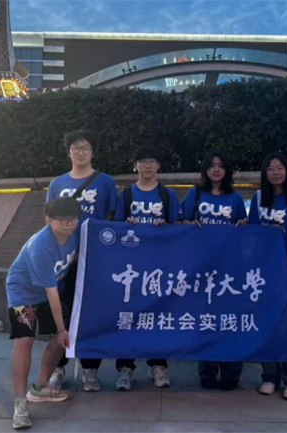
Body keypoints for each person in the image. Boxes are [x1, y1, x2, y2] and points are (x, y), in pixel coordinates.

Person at [46, 129, 117, 393]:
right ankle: (58, 367)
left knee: (91, 313)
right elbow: (49, 219)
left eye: (86, 147)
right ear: (69, 152)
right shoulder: (57, 184)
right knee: (61, 313)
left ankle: (90, 369)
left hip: (93, 259)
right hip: (63, 259)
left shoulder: (105, 182)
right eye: (76, 147)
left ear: (93, 152)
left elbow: (111, 218)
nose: (81, 152)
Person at [6, 197, 82, 429]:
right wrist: (60, 328)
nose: (69, 224)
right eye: (63, 219)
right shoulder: (41, 247)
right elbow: (51, 293)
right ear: (49, 219)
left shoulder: (75, 234)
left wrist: (61, 331)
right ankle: (20, 402)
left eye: (73, 219)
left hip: (50, 291)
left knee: (61, 339)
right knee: (25, 340)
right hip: (23, 292)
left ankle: (40, 386)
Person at [113, 145, 182, 390]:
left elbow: (178, 229)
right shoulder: (126, 195)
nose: (148, 165)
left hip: (159, 267)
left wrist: (166, 225)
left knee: (158, 316)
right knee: (127, 316)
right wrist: (127, 224)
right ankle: (125, 368)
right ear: (135, 165)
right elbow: (116, 229)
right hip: (131, 268)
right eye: (143, 161)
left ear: (159, 166)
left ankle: (158, 367)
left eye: (152, 161)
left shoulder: (167, 195)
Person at [181, 150, 247, 390]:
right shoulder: (195, 194)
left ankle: (231, 372)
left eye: (220, 165)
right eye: (211, 165)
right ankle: (207, 370)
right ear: (205, 170)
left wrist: (243, 224)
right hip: (201, 267)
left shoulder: (235, 198)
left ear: (227, 170)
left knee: (229, 321)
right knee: (205, 320)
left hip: (228, 269)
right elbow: (181, 223)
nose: (216, 169)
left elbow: (244, 227)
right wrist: (190, 223)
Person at [247, 152, 287, 401]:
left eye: (280, 168)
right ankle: (269, 376)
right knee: (266, 324)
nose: (275, 172)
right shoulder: (258, 199)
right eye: (270, 169)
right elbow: (252, 235)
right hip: (263, 274)